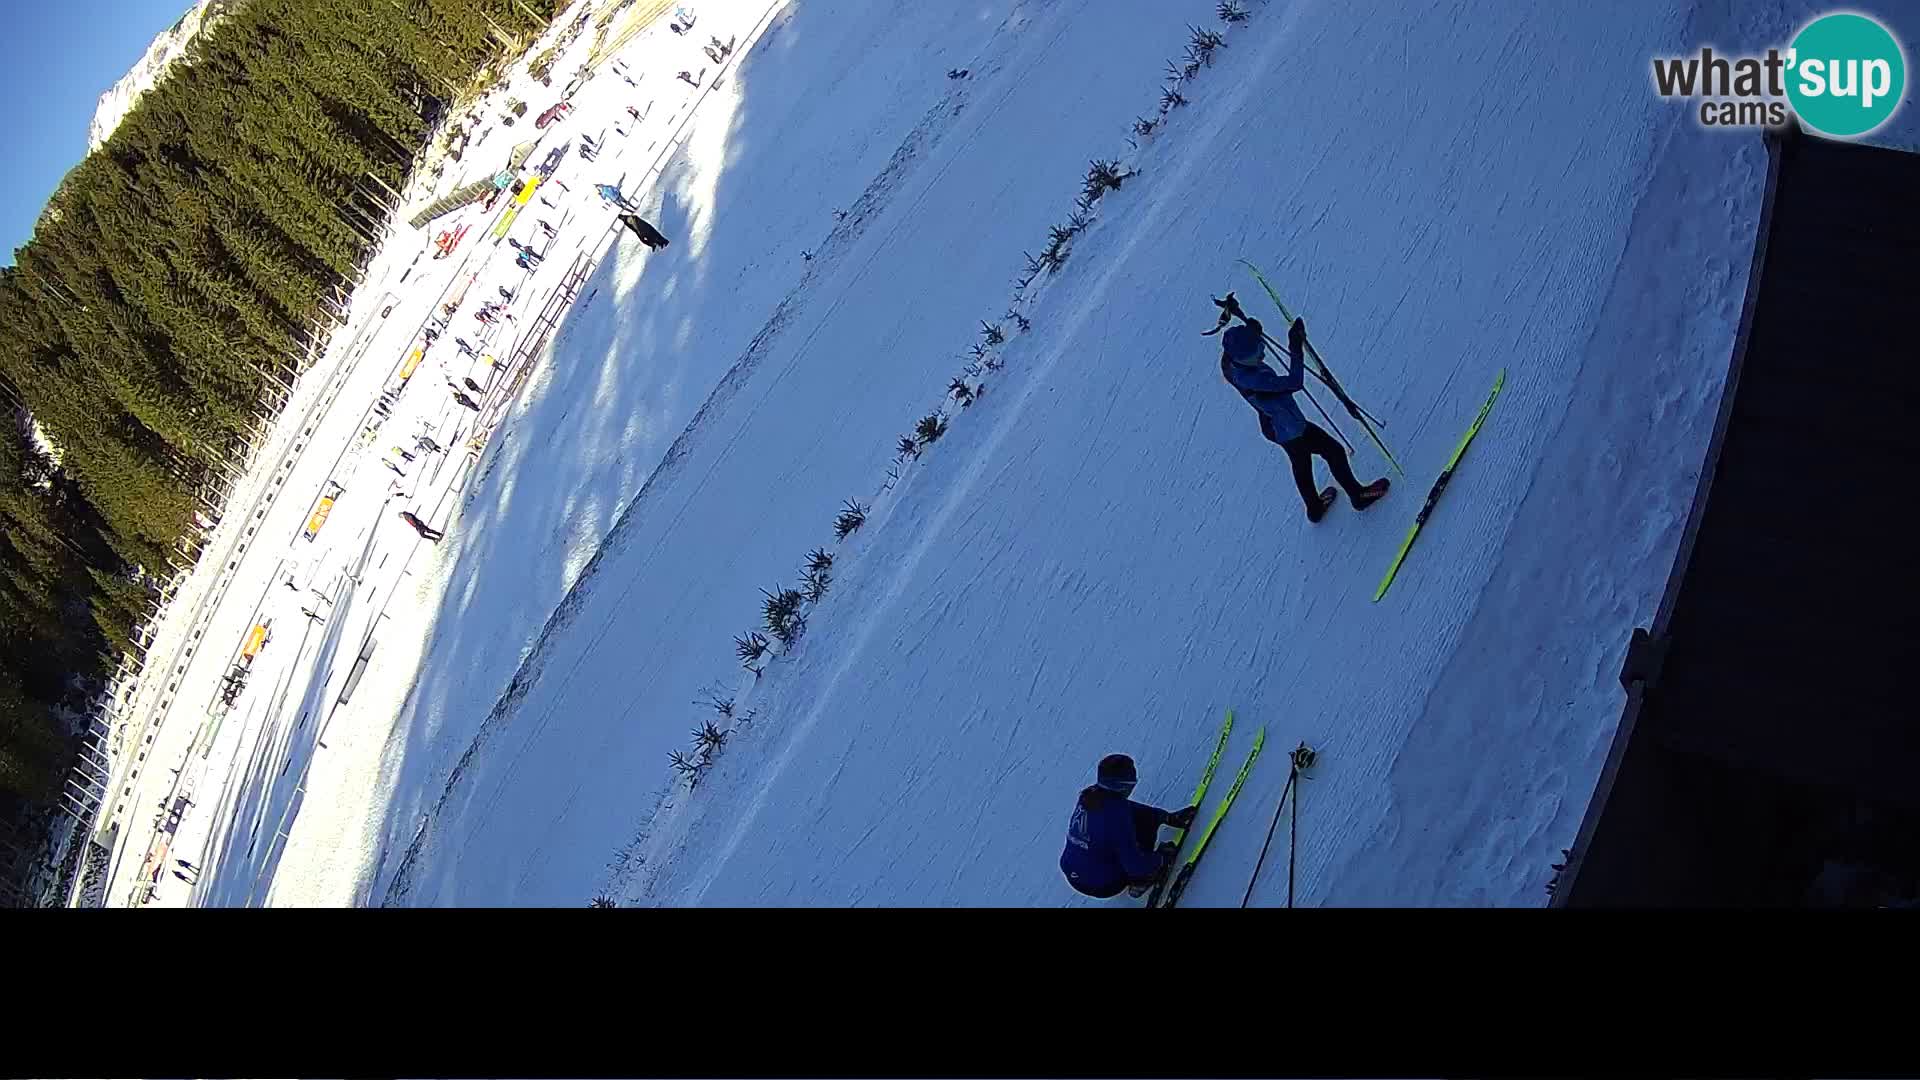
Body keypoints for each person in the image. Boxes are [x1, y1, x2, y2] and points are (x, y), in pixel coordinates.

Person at [1216, 296, 1389, 522]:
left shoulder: (1230, 361)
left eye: (1259, 347)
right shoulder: (1255, 381)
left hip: (1274, 426)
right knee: (1332, 451)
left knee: (1301, 464)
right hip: (1290, 427)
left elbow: (1244, 341)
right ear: (1243, 360)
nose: (1262, 352)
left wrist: (1250, 327)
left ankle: (1315, 508)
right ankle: (1357, 496)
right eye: (1255, 353)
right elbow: (1295, 382)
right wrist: (1295, 346)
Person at [1060, 754, 1197, 899]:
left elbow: (1128, 808)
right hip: (1102, 886)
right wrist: (1161, 858)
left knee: (1143, 820)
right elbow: (1135, 865)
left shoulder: (1090, 795)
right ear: (1124, 786)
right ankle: (1141, 882)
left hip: (1072, 872)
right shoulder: (1117, 818)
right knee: (1144, 828)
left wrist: (1165, 817)